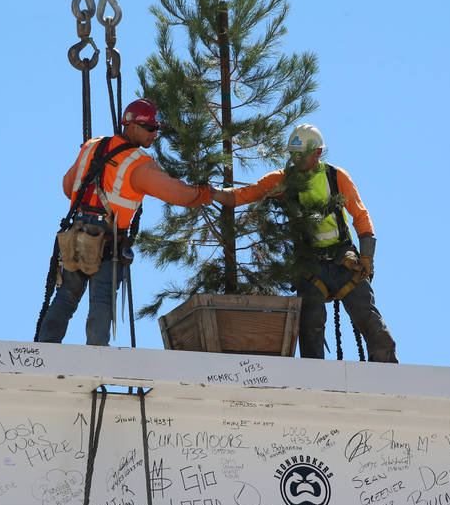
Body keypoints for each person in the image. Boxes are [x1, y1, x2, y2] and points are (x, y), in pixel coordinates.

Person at [211, 124, 398, 363]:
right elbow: (244, 195)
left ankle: (388, 374)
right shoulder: (283, 181)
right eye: (292, 155)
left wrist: (367, 258)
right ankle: (314, 379)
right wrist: (211, 193)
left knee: (368, 318)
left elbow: (361, 216)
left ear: (318, 153)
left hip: (344, 261)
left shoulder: (336, 177)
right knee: (310, 323)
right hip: (311, 266)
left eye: (301, 155)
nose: (295, 160)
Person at [37, 99, 212, 345]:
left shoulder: (92, 146)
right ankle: (96, 358)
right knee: (102, 299)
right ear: (131, 126)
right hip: (108, 237)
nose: (155, 134)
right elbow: (180, 194)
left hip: (77, 229)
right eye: (150, 128)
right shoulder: (138, 163)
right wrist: (207, 194)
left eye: (156, 128)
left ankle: (45, 349)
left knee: (66, 295)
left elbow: (69, 187)